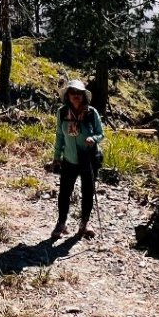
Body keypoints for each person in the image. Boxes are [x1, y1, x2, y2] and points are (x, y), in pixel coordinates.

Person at [50, 79, 104, 240]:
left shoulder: (91, 112)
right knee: (64, 192)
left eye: (79, 93)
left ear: (83, 96)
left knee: (87, 192)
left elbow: (101, 133)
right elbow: (60, 136)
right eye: (73, 93)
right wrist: (56, 157)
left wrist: (93, 139)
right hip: (69, 159)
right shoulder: (62, 112)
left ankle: (84, 224)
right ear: (67, 95)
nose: (76, 96)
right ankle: (61, 223)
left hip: (89, 158)